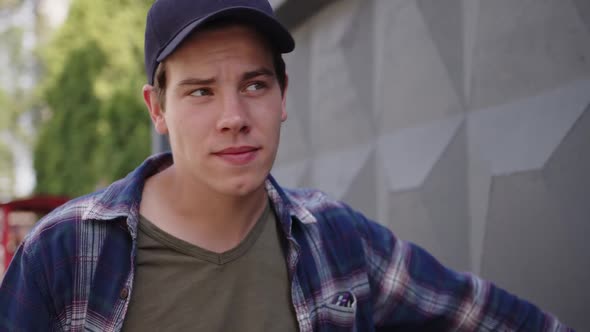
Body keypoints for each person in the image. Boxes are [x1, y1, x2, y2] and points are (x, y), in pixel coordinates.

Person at [0, 0, 573, 331]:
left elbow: (481, 314)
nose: (234, 116)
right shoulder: (65, 253)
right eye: (200, 92)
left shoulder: (340, 242)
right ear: (158, 109)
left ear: (282, 95)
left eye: (254, 83)